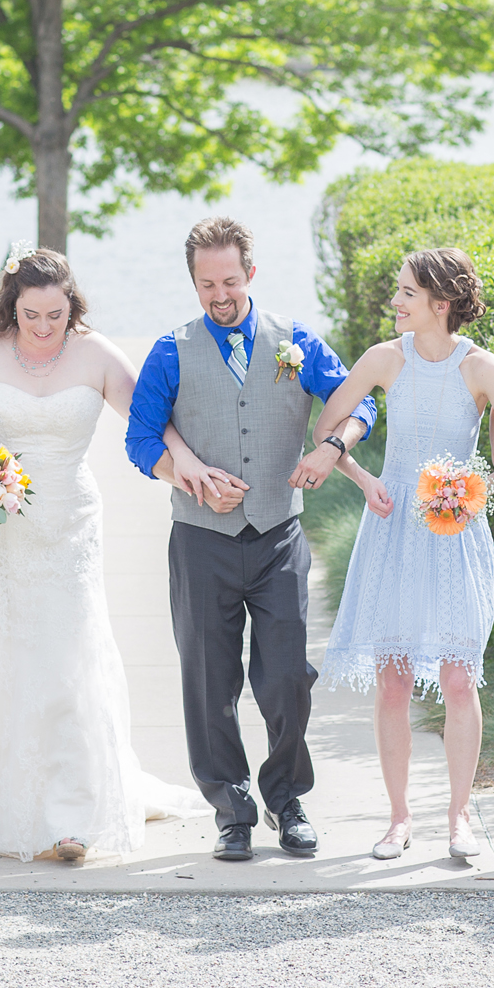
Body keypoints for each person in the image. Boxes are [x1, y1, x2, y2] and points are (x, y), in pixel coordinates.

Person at [0, 246, 205, 861]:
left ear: (70, 305)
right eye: (32, 314)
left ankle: (72, 813)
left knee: (66, 656)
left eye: (55, 314)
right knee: (2, 656)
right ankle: (3, 806)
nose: (43, 326)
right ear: (13, 306)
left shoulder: (96, 353)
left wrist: (183, 464)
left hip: (70, 522)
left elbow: (149, 419)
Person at [125, 216, 377, 862]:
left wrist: (329, 447)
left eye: (230, 280)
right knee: (209, 680)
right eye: (206, 283)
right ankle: (231, 808)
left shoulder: (295, 342)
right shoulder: (169, 350)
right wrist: (188, 471)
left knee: (288, 673)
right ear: (193, 282)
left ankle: (287, 798)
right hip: (201, 538)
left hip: (277, 533)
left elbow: (360, 405)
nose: (219, 294)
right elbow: (140, 439)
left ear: (252, 275)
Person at [316, 249, 494, 861]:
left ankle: (460, 815)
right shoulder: (384, 359)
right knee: (392, 679)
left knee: (457, 676)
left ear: (440, 305)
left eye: (406, 294)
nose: (394, 301)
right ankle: (397, 819)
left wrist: (475, 491)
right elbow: (328, 430)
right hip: (391, 530)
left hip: (454, 535)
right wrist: (366, 482)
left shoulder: (482, 368)